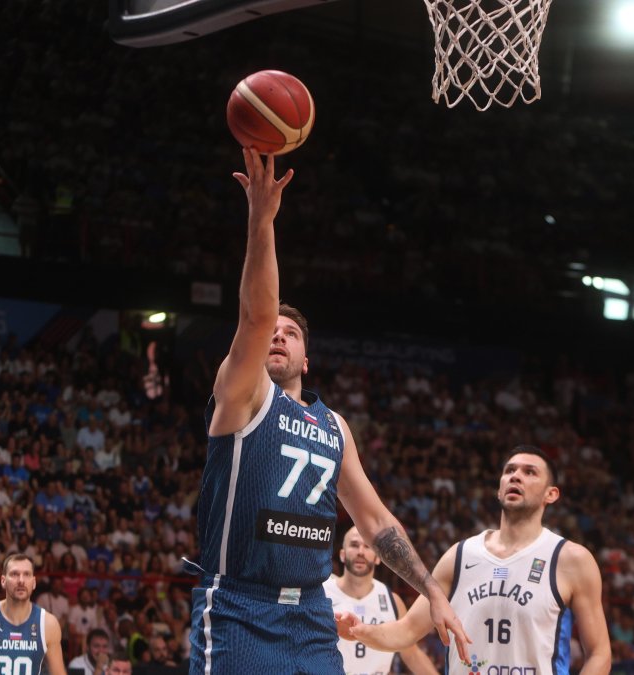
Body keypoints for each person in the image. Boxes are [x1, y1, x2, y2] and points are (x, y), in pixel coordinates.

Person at [189, 148, 468, 673]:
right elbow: (255, 316)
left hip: (312, 614)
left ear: (306, 360)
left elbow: (376, 521)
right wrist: (261, 221)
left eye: (291, 334)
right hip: (240, 607)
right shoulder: (243, 394)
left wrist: (432, 590)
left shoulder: (333, 425)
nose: (277, 335)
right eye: (272, 332)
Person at [342, 448, 610, 675]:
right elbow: (408, 630)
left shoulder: (571, 559)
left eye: (530, 472)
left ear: (551, 494)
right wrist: (359, 630)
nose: (516, 476)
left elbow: (599, 653)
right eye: (509, 470)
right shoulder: (460, 556)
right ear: (499, 489)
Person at [323, 527, 438, 675]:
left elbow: (412, 654)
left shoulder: (392, 601)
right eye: (354, 545)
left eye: (367, 546)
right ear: (342, 555)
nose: (360, 552)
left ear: (378, 557)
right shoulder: (321, 593)